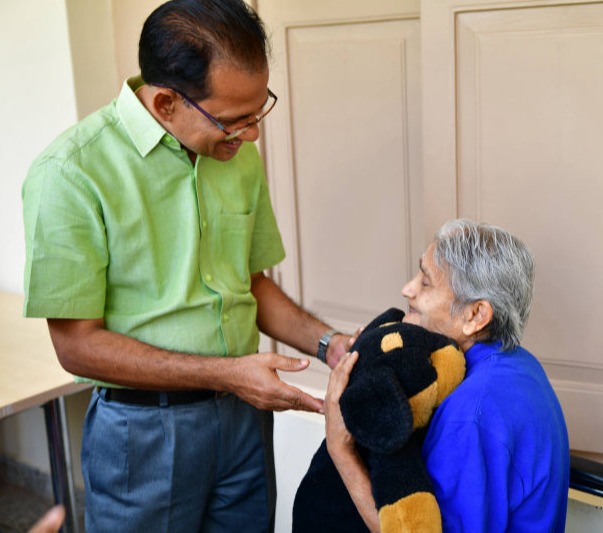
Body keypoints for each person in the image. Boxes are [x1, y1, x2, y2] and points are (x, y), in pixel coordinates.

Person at [22, 1, 349, 531]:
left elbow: (250, 284)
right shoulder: (70, 173)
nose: (252, 136)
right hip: (144, 433)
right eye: (235, 119)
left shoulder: (235, 153)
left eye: (258, 110)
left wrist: (328, 343)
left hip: (245, 420)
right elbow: (75, 345)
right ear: (167, 103)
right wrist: (228, 375)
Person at [324, 219, 570, 532]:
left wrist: (340, 450)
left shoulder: (470, 413)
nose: (407, 289)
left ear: (476, 315)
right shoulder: (520, 365)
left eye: (425, 283)